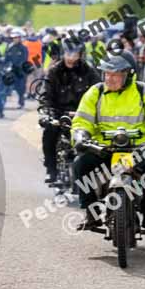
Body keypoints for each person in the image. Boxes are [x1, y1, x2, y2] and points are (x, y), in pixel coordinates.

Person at [71, 50, 145, 233]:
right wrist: (81, 136)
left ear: (129, 75)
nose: (110, 79)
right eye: (107, 74)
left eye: (116, 74)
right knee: (80, 165)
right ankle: (91, 212)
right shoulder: (95, 92)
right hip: (103, 149)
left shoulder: (144, 91)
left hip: (137, 149)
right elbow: (82, 120)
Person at [40, 41, 101, 183]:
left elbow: (99, 92)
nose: (71, 58)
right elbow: (45, 94)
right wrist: (46, 112)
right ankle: (51, 169)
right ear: (63, 54)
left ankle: (90, 176)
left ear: (80, 55)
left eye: (74, 54)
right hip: (58, 113)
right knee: (49, 133)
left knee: (91, 142)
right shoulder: (54, 71)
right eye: (68, 54)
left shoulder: (89, 71)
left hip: (82, 114)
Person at [4, 29, 29, 108]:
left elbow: (24, 59)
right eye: (14, 38)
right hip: (11, 69)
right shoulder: (10, 47)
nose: (15, 39)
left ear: (20, 38)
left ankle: (21, 102)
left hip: (20, 70)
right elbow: (6, 58)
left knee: (20, 87)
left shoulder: (23, 48)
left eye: (17, 37)